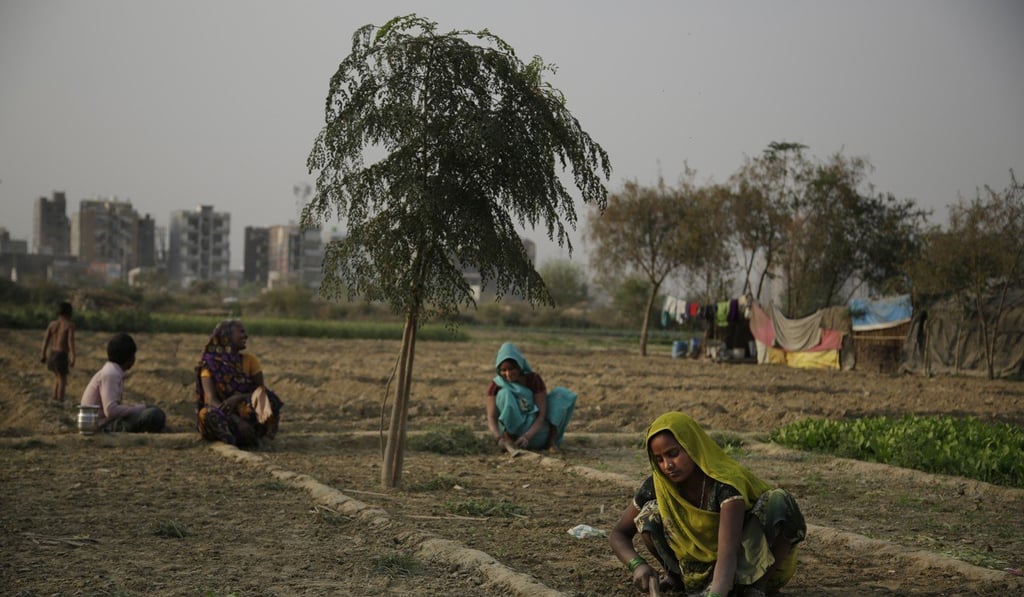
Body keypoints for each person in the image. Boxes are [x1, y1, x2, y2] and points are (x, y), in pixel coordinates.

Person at [609, 412, 806, 597]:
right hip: (696, 573)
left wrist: (716, 594)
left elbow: (727, 556)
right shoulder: (658, 485)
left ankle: (756, 587)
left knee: (780, 501)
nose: (667, 465)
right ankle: (677, 578)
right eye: (659, 459)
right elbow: (619, 533)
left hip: (743, 567)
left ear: (692, 446)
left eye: (673, 453)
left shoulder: (724, 485)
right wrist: (637, 565)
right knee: (648, 513)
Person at [194, 319, 283, 449]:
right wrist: (237, 421)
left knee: (268, 398)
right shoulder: (210, 364)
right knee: (207, 414)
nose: (245, 336)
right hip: (225, 415)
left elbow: (260, 391)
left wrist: (237, 398)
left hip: (246, 412)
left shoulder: (250, 360)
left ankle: (258, 435)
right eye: (241, 332)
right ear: (226, 337)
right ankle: (233, 440)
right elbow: (211, 399)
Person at [486, 341, 577, 452]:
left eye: (511, 369)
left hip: (536, 432)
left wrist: (527, 437)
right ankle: (508, 437)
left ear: (519, 366)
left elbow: (541, 415)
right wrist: (498, 438)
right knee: (504, 394)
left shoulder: (533, 380)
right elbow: (491, 417)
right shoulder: (497, 385)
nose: (508, 374)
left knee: (561, 394)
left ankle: (550, 443)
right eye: (504, 370)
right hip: (514, 432)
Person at [80, 332, 166, 433]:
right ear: (129, 358)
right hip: (102, 426)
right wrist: (141, 408)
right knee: (154, 414)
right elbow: (111, 411)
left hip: (103, 422)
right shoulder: (111, 374)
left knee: (150, 412)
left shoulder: (111, 371)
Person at [40, 301, 76, 402]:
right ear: (69, 313)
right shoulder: (69, 325)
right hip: (61, 355)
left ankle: (55, 398)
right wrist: (73, 357)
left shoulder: (52, 324)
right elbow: (70, 342)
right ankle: (60, 400)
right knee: (62, 380)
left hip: (52, 353)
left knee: (57, 378)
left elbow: (46, 340)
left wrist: (43, 354)